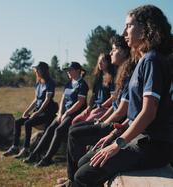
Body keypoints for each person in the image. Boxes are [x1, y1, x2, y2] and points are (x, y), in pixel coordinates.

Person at [72, 5, 173, 187]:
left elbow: (149, 112)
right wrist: (113, 134)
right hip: (138, 138)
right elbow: (136, 112)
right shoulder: (145, 60)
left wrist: (118, 144)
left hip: (152, 146)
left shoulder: (152, 60)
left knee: (83, 176)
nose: (124, 31)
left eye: (128, 25)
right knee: (83, 162)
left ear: (146, 28)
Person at [55, 35, 135, 187]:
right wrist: (99, 118)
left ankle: (74, 178)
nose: (110, 53)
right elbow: (115, 105)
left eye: (114, 50)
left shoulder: (128, 74)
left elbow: (121, 111)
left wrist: (103, 122)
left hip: (117, 124)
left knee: (74, 133)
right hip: (113, 121)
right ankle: (72, 177)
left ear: (125, 52)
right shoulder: (122, 73)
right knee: (74, 128)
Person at [24, 62, 89, 167]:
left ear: (78, 71)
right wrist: (59, 113)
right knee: (50, 129)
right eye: (67, 70)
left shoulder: (82, 84)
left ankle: (47, 159)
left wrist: (66, 113)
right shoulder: (68, 83)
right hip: (64, 113)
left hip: (75, 114)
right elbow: (63, 99)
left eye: (70, 69)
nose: (68, 71)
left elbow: (80, 102)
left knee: (59, 130)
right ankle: (34, 155)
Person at [3, 61, 58, 158]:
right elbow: (36, 99)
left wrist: (37, 113)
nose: (35, 71)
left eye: (37, 69)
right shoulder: (38, 84)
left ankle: (26, 149)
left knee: (28, 123)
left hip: (47, 113)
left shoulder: (50, 83)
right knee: (18, 122)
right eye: (35, 69)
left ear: (43, 70)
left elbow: (47, 100)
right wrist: (27, 111)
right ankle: (15, 147)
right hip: (38, 112)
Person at [72, 53, 115, 124]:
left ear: (109, 62)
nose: (100, 63)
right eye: (99, 61)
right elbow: (94, 95)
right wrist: (89, 108)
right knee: (75, 121)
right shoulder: (98, 78)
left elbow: (113, 98)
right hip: (95, 107)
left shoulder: (113, 78)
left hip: (106, 108)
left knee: (85, 123)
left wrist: (100, 107)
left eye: (103, 61)